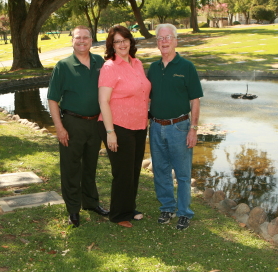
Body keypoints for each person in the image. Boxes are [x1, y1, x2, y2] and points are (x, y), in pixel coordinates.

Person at [47, 25, 109, 228]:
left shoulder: (100, 62)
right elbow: (53, 99)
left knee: (90, 166)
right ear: (72, 40)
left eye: (86, 37)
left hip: (95, 123)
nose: (82, 41)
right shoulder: (63, 66)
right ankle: (73, 209)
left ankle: (91, 203)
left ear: (92, 40)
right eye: (78, 38)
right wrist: (59, 127)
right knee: (71, 167)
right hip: (72, 123)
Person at [147, 23, 203, 230]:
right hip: (156, 127)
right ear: (157, 43)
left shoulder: (186, 67)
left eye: (168, 37)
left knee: (182, 173)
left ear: (176, 41)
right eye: (160, 39)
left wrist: (193, 129)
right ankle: (167, 208)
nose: (164, 42)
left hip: (179, 127)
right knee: (160, 171)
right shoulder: (152, 68)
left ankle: (184, 212)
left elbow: (195, 100)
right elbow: (145, 98)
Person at [98, 25, 151, 228]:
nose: (122, 44)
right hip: (117, 125)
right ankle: (118, 214)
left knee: (134, 169)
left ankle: (129, 207)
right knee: (123, 172)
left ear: (130, 41)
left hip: (138, 124)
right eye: (117, 41)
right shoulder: (110, 67)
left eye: (125, 40)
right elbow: (103, 101)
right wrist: (110, 132)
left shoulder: (137, 63)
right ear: (112, 45)